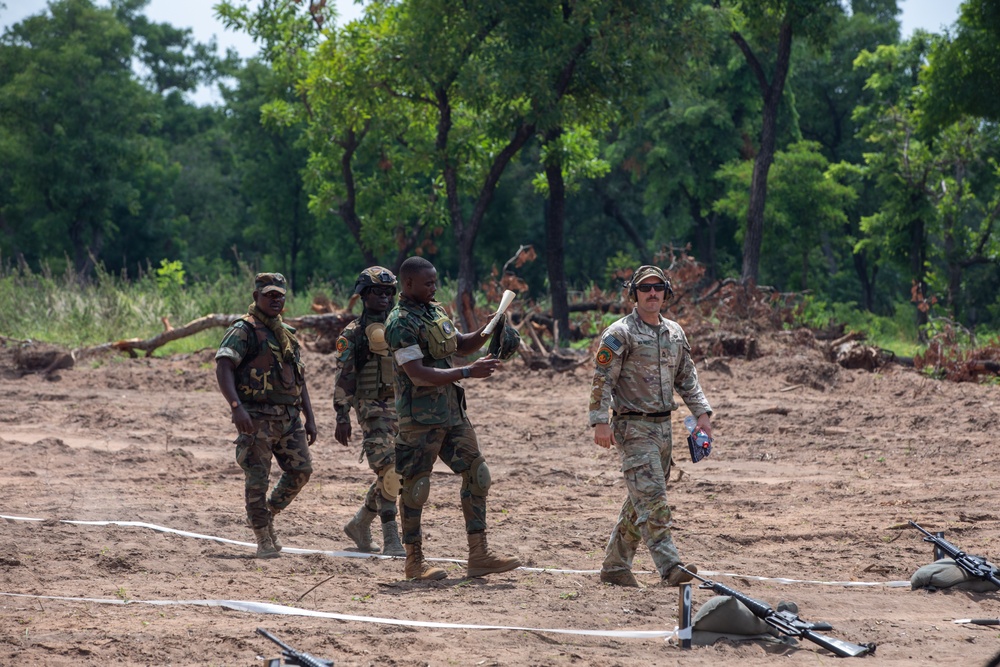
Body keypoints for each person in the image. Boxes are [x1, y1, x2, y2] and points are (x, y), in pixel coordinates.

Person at [384, 256, 521, 581]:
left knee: (478, 474)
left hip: (451, 414)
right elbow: (416, 373)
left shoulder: (435, 311)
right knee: (416, 487)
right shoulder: (399, 322)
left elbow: (460, 343)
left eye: (435, 282)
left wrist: (489, 329)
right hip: (419, 419)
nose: (434, 287)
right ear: (408, 284)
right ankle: (414, 562)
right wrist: (467, 372)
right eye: (427, 283)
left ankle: (479, 555)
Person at [589, 264, 714, 587]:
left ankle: (615, 566)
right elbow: (602, 380)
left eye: (658, 287)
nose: (652, 293)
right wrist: (600, 422)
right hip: (633, 428)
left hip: (663, 429)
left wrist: (702, 414)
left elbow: (687, 378)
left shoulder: (674, 333)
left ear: (666, 292)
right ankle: (671, 567)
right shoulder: (620, 333)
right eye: (645, 288)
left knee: (640, 500)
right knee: (654, 500)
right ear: (635, 293)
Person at [215, 272, 317, 559]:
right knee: (257, 477)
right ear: (256, 297)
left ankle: (267, 514)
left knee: (301, 471)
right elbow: (224, 366)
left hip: (288, 418)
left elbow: (299, 378)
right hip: (256, 417)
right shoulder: (243, 331)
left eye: (280, 295)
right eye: (269, 295)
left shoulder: (285, 333)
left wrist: (310, 416)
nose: (275, 300)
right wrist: (237, 408)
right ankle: (262, 536)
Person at [333, 266, 406, 557]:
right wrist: (342, 414)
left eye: (390, 292)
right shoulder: (353, 333)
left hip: (402, 407)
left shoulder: (401, 326)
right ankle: (391, 538)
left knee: (399, 472)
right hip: (371, 406)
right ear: (363, 294)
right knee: (388, 471)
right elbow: (344, 376)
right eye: (378, 291)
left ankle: (360, 523)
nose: (385, 297)